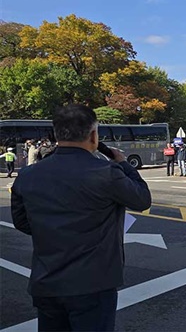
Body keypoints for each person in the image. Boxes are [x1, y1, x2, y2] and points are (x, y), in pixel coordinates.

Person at [10, 104, 151, 332]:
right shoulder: (106, 172)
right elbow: (142, 199)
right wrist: (123, 163)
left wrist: (54, 231)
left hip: (47, 281)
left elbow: (22, 222)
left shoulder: (27, 175)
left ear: (56, 134)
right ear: (94, 135)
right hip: (93, 283)